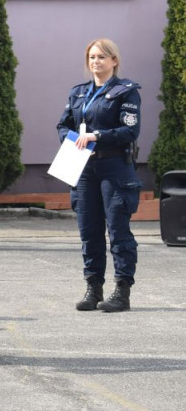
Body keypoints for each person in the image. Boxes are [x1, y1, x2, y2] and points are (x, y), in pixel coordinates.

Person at [57, 38, 142, 313]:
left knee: (118, 231)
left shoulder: (126, 92)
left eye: (102, 57)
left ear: (114, 61)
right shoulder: (79, 93)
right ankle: (93, 288)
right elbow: (62, 124)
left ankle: (122, 291)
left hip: (114, 167)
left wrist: (98, 136)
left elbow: (130, 131)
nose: (96, 62)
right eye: (92, 57)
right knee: (89, 230)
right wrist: (71, 140)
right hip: (84, 168)